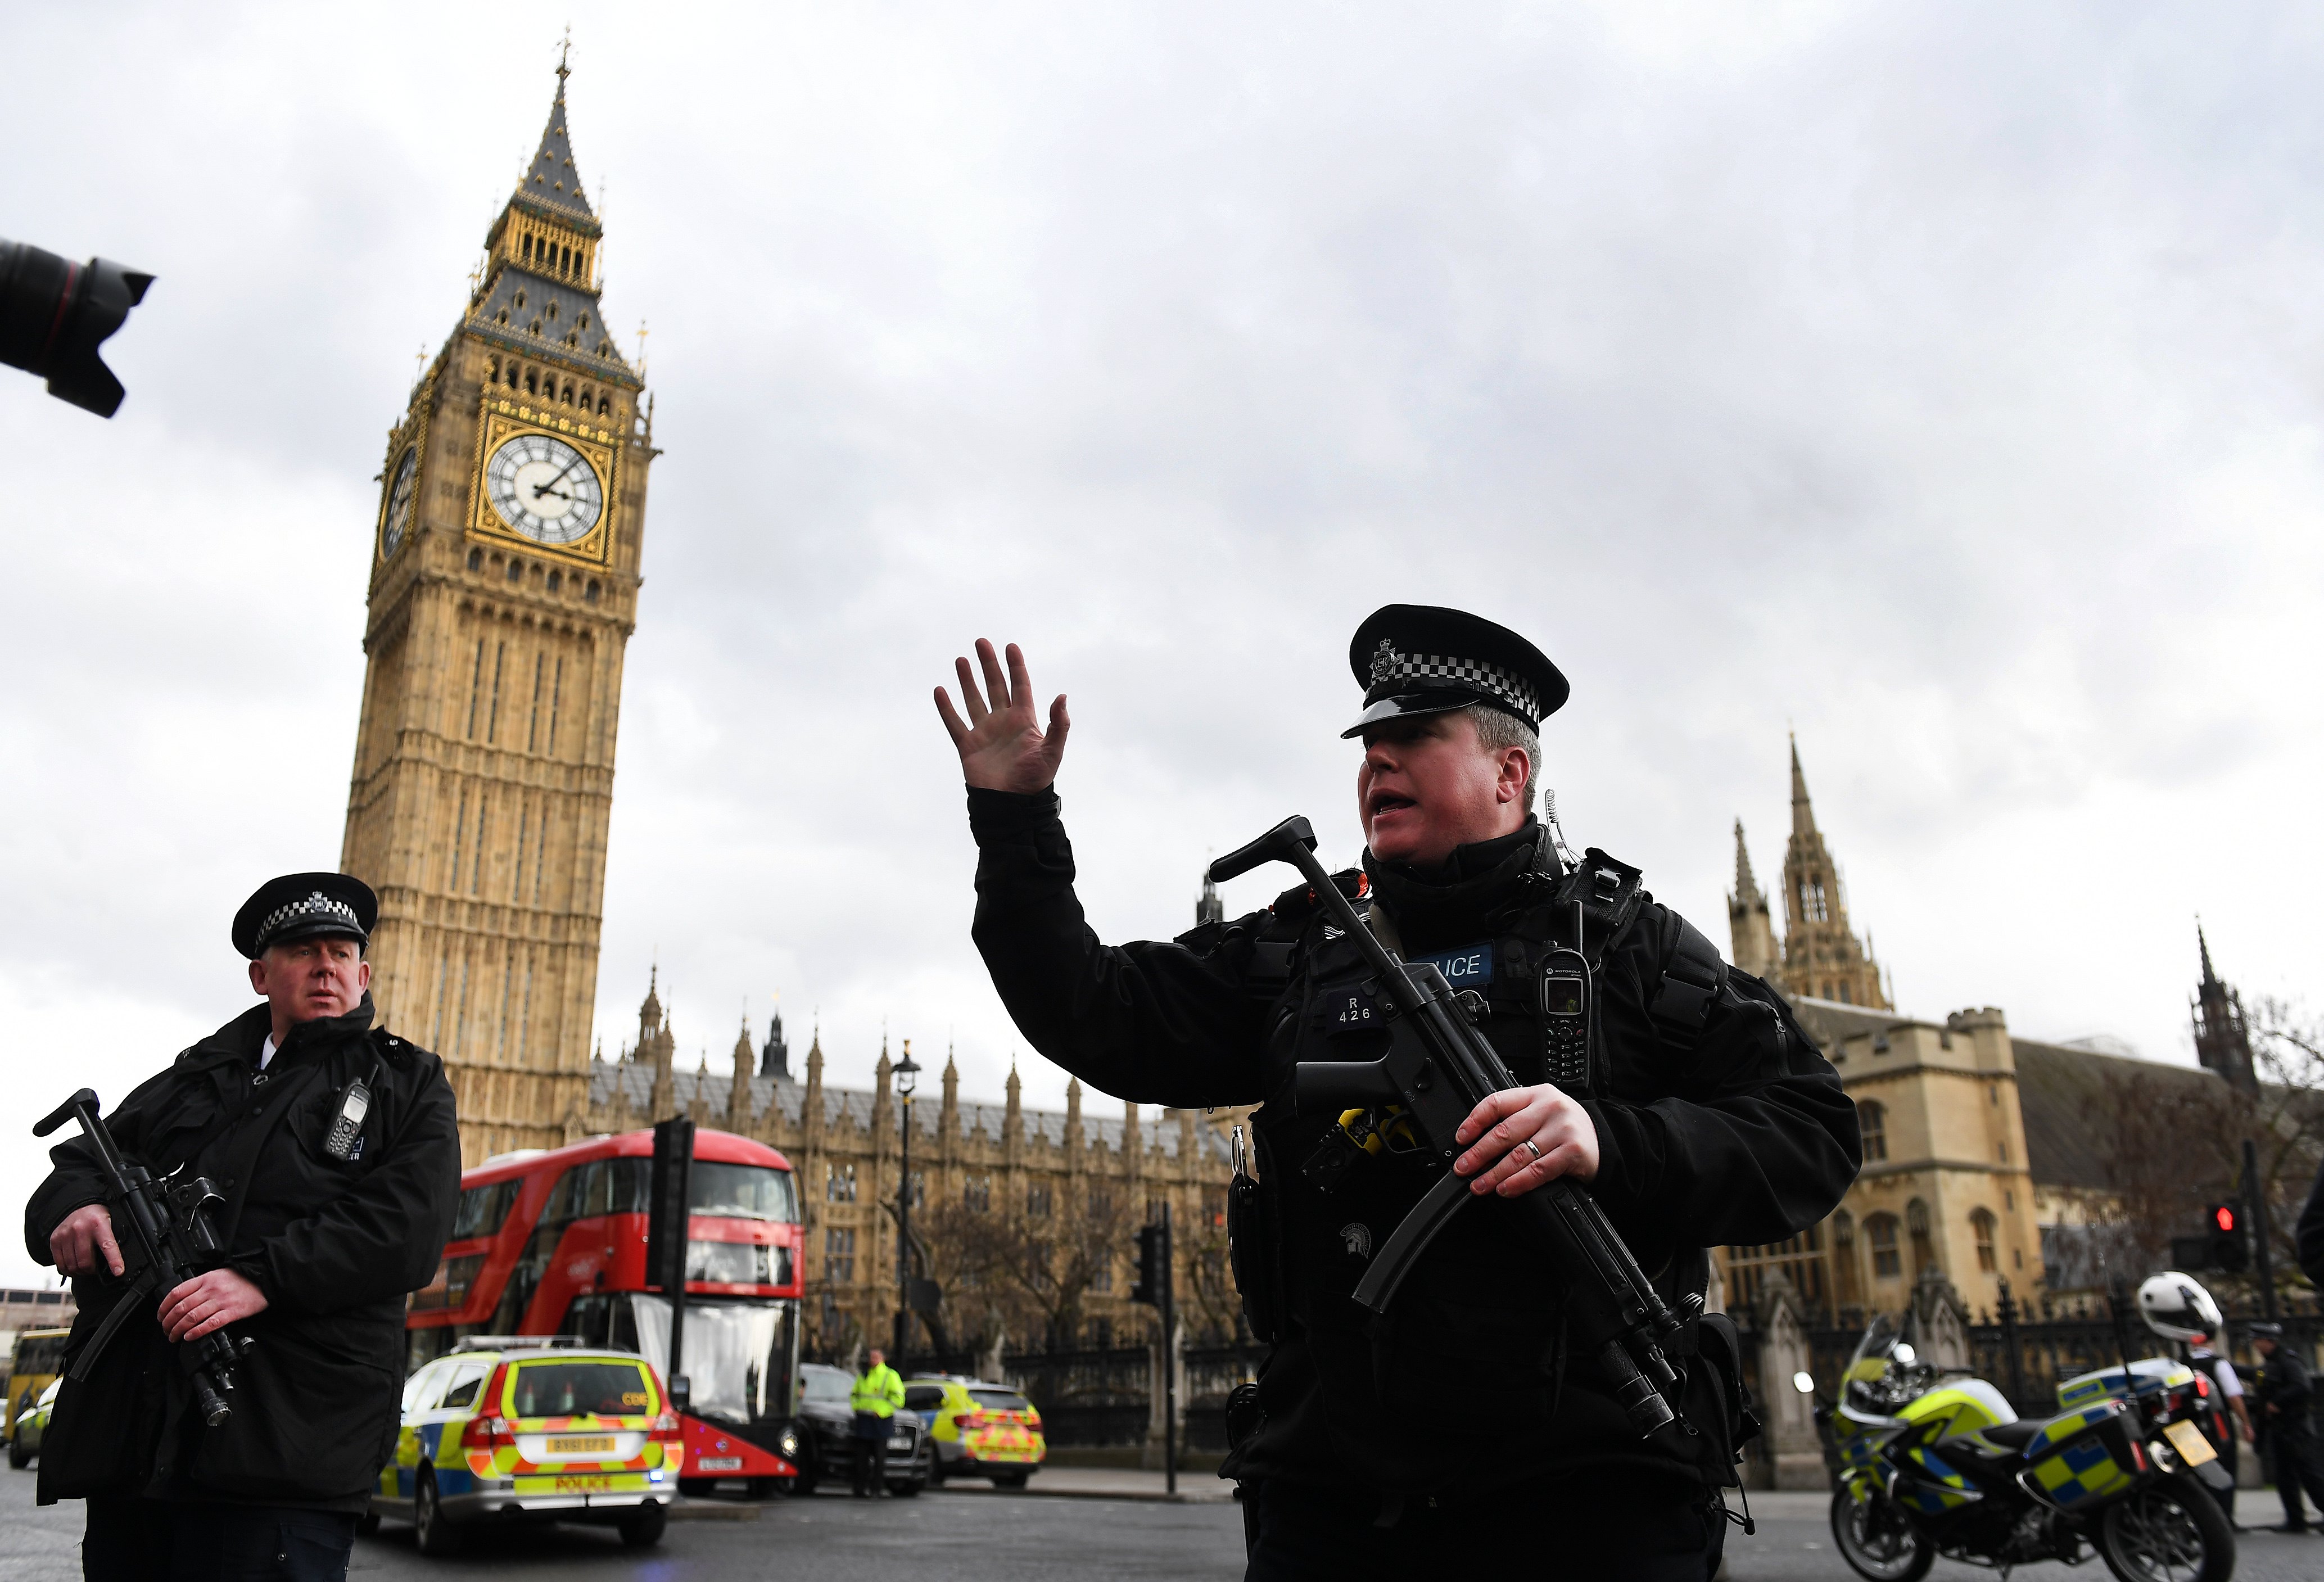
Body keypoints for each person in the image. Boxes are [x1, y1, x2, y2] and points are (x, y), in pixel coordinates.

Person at [934, 608, 1861, 1581]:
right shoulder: (1301, 944)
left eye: (1414, 736)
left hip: (1588, 1493)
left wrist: (1610, 1138)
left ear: (1509, 772)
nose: (1378, 761)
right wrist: (1013, 817)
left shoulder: (1626, 946)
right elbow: (1095, 1008)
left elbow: (1811, 1127)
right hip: (1334, 1497)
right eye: (1369, 743)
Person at [25, 873, 459, 1582]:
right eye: (303, 951)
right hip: (142, 1452)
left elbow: (409, 1227)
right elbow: (81, 1159)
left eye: (342, 953)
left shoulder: (403, 1084)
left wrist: (261, 1277)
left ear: (364, 973)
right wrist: (75, 1208)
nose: (326, 966)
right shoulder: (199, 1077)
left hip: (286, 1452)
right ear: (261, 975)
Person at [2137, 1271, 2249, 1524]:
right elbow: (2234, 1395)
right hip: (2214, 1423)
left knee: (2198, 1474)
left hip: (2186, 1430)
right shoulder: (2219, 1364)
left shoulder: (2176, 1366)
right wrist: (2246, 1422)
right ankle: (2224, 1518)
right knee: (2223, 1471)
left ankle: (2202, 1518)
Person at [2249, 1322, 2324, 1535]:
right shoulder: (2270, 1365)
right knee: (2285, 1477)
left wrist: (2278, 1402)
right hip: (2280, 1429)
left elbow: (2302, 1386)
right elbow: (2256, 1376)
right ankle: (2295, 1520)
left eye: (2258, 1341)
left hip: (2296, 1427)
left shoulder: (2288, 1361)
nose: (2255, 1345)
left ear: (2269, 1341)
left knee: (2310, 1474)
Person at [849, 1347, 905, 1497]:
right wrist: (857, 1407)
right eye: (871, 1357)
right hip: (864, 1420)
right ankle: (860, 1489)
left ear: (883, 1359)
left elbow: (899, 1399)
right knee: (861, 1459)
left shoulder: (890, 1375)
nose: (872, 1360)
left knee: (879, 1460)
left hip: (881, 1421)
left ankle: (876, 1489)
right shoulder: (864, 1375)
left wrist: (881, 1412)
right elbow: (854, 1395)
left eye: (875, 1357)